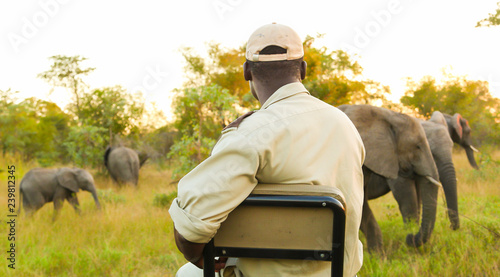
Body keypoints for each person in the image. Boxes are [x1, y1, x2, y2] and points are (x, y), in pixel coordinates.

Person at [169, 22, 365, 277]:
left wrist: (196, 256)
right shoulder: (345, 125)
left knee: (187, 274)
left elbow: (189, 231)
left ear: (247, 71)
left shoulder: (250, 134)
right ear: (303, 69)